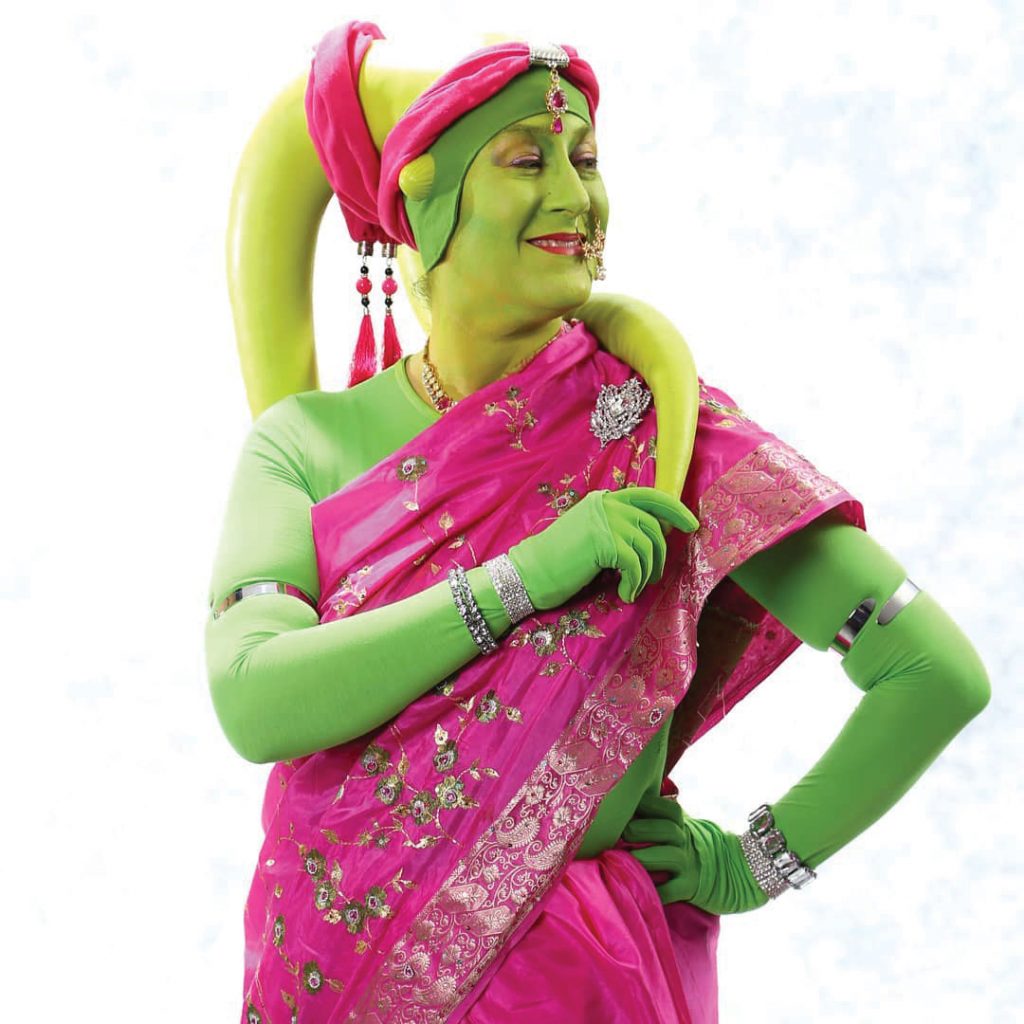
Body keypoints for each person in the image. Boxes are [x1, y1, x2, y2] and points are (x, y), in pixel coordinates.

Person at [206, 22, 992, 1024]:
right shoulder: (304, 445)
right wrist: (528, 575)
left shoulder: (667, 438)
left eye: (583, 158)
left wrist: (752, 862)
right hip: (315, 978)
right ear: (422, 202)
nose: (576, 196)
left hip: (561, 984)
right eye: (526, 160)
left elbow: (930, 671)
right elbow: (254, 699)